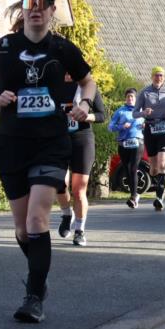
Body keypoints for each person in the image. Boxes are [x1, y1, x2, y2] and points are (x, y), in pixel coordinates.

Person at [0, 0, 94, 323]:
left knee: (37, 219)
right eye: (30, 2)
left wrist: (84, 103)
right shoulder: (5, 47)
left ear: (52, 11)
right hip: (13, 143)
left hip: (51, 143)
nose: (36, 8)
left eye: (43, 3)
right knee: (22, 231)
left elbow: (88, 81)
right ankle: (39, 278)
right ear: (24, 8)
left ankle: (33, 295)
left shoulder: (61, 47)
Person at [55, 73, 105, 245]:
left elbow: (101, 115)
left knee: (79, 189)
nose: (69, 71)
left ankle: (79, 230)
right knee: (59, 182)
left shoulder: (87, 87)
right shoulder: (54, 84)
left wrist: (86, 116)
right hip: (59, 139)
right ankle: (66, 214)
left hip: (82, 139)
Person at [134, 67, 165, 210]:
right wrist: (144, 113)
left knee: (162, 162)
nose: (159, 78)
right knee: (153, 168)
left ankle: (160, 197)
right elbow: (135, 113)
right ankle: (157, 185)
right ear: (152, 77)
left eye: (161, 76)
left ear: (164, 78)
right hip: (150, 128)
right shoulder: (144, 92)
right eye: (156, 75)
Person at [108, 88, 145, 208]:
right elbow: (110, 127)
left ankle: (133, 197)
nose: (130, 99)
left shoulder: (142, 111)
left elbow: (150, 123)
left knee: (133, 168)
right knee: (127, 169)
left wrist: (145, 125)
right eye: (128, 96)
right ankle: (135, 194)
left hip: (137, 142)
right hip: (123, 144)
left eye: (132, 97)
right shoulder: (120, 111)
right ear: (125, 98)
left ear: (136, 99)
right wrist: (122, 126)